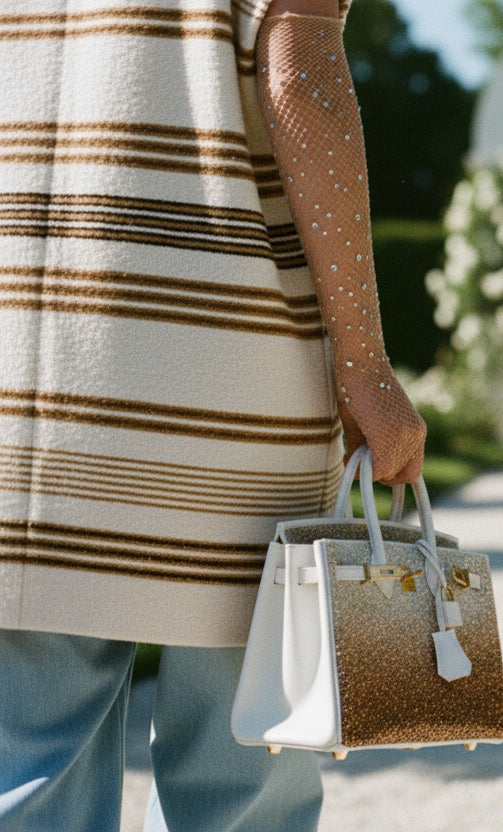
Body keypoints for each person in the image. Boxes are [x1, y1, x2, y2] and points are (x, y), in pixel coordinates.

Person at [0, 0, 424, 828]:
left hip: (25, 372)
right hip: (225, 369)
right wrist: (365, 362)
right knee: (247, 759)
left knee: (31, 756)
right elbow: (302, 77)